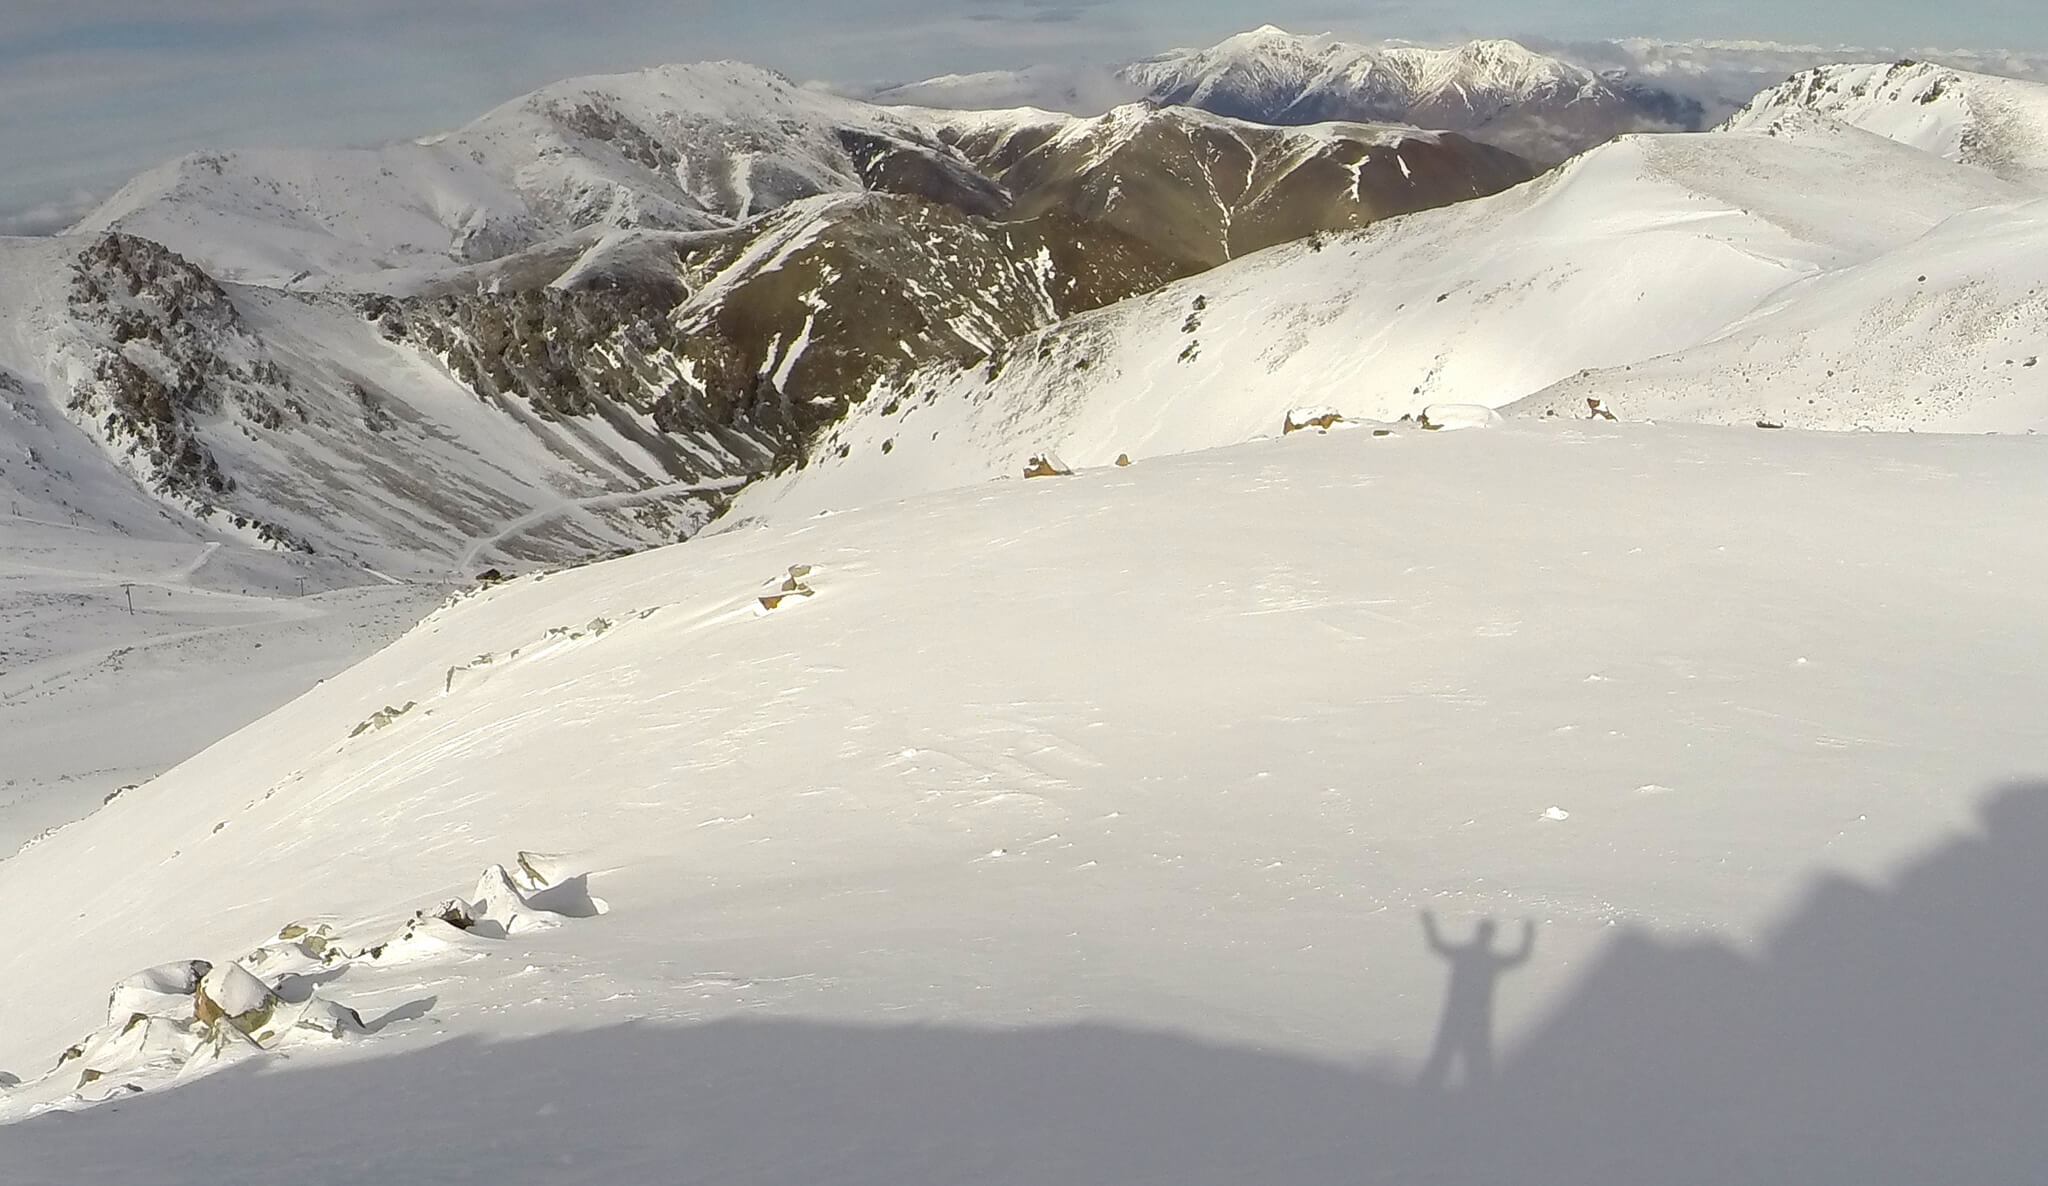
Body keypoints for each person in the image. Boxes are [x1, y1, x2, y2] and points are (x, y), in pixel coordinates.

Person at [1418, 912, 1535, 1091]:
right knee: (1477, 1059)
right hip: (1477, 1016)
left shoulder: (1465, 955)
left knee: (1444, 1055)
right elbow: (1519, 958)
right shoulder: (1491, 960)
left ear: (1478, 933)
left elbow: (1437, 945)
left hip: (1456, 1014)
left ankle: (1426, 1095)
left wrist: (1428, 924)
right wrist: (1528, 935)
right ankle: (1480, 1099)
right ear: (1491, 936)